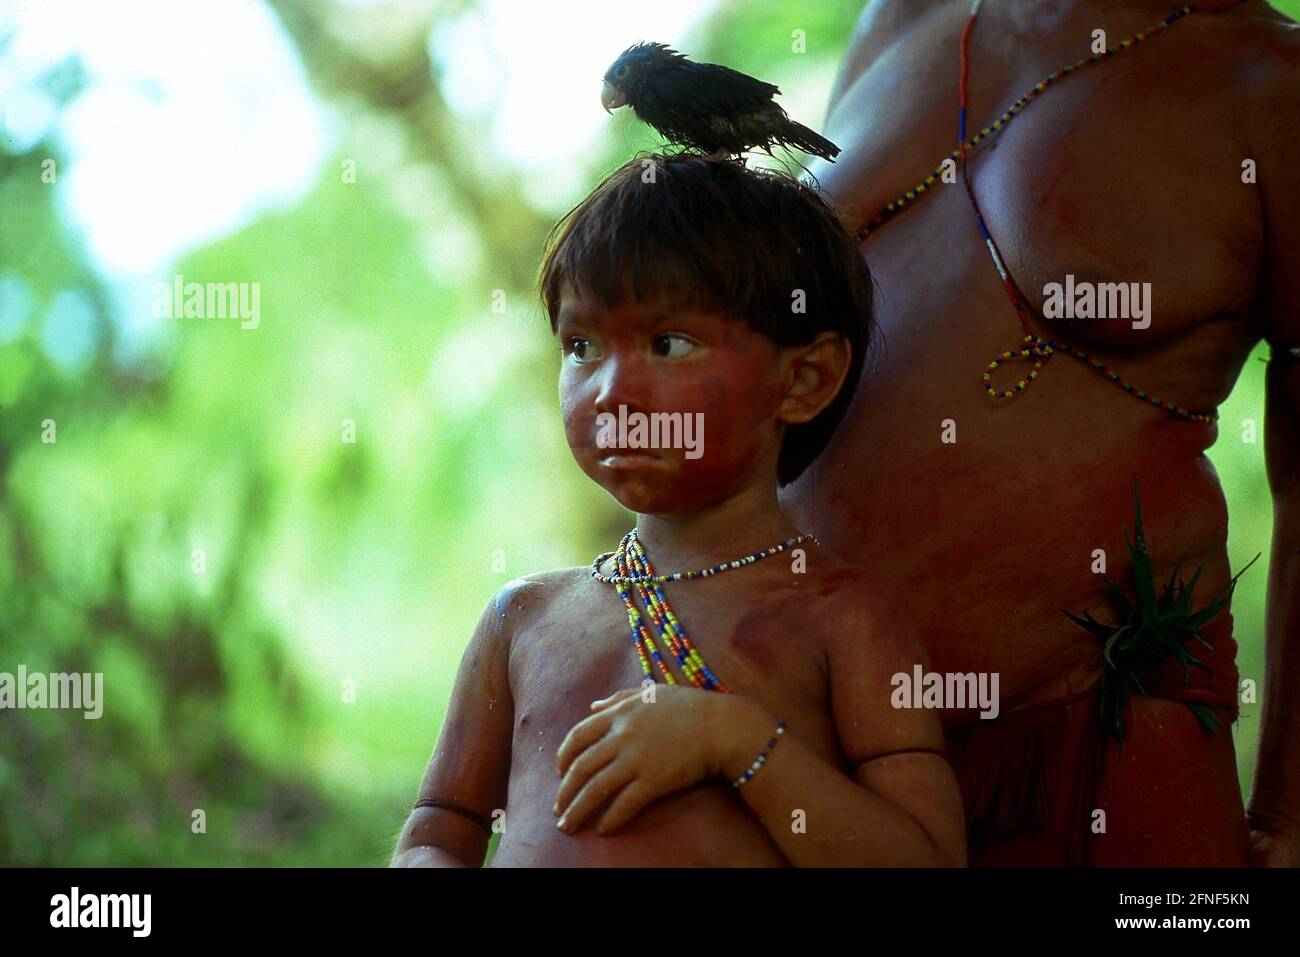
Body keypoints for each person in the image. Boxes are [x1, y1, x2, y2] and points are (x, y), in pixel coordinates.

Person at [780, 0, 1300, 865]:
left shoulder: (1271, 83)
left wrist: (1288, 812)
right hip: (822, 755)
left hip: (1100, 754)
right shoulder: (898, 17)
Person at [390, 154, 967, 867]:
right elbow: (438, 828)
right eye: (580, 345)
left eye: (667, 343)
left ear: (804, 379)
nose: (610, 391)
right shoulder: (522, 620)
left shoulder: (844, 617)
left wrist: (735, 741)